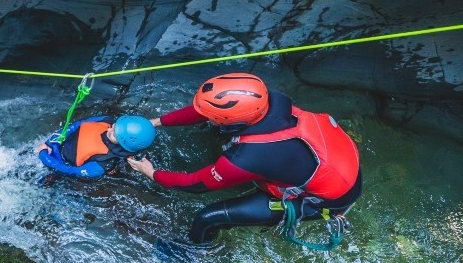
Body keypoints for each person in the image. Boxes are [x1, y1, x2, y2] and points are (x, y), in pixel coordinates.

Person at [127, 72, 362, 245]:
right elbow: (204, 111)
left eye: (214, 117)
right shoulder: (270, 101)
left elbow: (195, 185)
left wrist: (150, 172)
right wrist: (156, 122)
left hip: (326, 201)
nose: (206, 118)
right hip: (335, 164)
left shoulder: (245, 158)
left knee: (207, 217)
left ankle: (194, 254)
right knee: (215, 132)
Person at [38, 115, 156, 178]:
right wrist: (52, 142)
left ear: (124, 143)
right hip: (55, 147)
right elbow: (78, 124)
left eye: (114, 133)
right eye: (115, 125)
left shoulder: (102, 164)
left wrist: (44, 156)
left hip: (60, 162)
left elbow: (70, 171)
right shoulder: (107, 120)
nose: (109, 128)